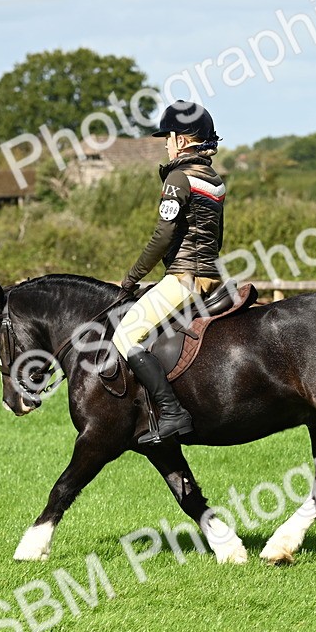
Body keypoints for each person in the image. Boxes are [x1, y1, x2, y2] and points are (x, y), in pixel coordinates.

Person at [111, 100, 226, 444]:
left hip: (183, 278)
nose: (165, 143)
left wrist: (131, 277)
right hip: (210, 276)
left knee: (125, 337)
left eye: (168, 137)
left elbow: (164, 235)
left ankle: (173, 412)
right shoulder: (214, 179)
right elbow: (214, 236)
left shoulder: (179, 177)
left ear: (181, 139)